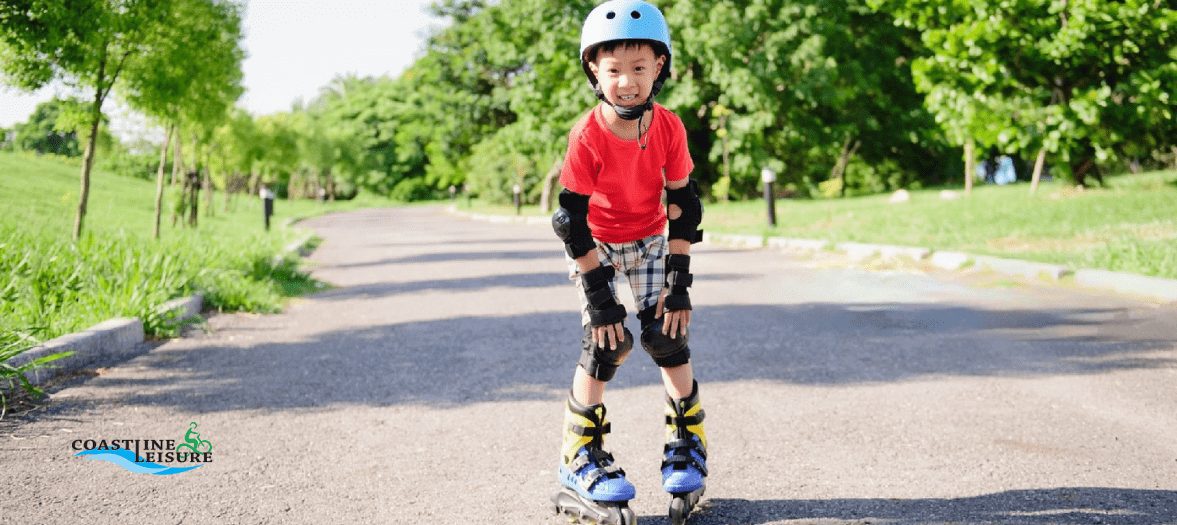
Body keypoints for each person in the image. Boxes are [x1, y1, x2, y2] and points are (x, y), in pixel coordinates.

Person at [550, 2, 707, 524]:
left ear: (658, 68)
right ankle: (579, 456)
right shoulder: (587, 135)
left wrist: (678, 283)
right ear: (594, 69)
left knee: (667, 334)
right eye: (614, 70)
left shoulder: (668, 127)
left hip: (648, 240)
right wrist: (599, 297)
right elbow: (570, 218)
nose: (626, 82)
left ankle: (687, 439)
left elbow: (683, 205)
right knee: (606, 342)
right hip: (595, 242)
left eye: (638, 68)